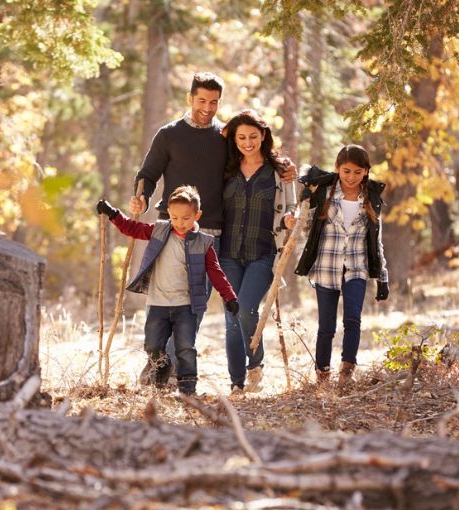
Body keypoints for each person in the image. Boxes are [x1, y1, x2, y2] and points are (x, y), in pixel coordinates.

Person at [130, 72, 297, 386]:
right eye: (202, 100)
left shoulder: (224, 136)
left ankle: (168, 366)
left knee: (196, 304)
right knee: (168, 300)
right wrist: (141, 196)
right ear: (190, 98)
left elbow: (255, 157)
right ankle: (159, 362)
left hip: (213, 235)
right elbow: (148, 174)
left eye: (214, 102)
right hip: (172, 230)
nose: (207, 107)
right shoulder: (169, 134)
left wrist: (286, 168)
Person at [97, 186, 239, 396]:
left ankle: (187, 388)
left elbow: (215, 271)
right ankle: (161, 368)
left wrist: (229, 296)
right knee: (152, 345)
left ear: (197, 215)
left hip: (186, 306)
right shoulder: (160, 231)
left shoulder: (204, 243)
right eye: (174, 217)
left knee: (185, 348)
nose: (180, 223)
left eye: (185, 218)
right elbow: (132, 228)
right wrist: (113, 214)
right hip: (158, 304)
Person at [294, 144, 389, 389]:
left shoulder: (371, 200)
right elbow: (305, 228)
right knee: (326, 325)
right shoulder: (324, 194)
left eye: (358, 172)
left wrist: (382, 277)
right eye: (346, 171)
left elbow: (376, 241)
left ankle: (347, 370)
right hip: (326, 267)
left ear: (366, 172)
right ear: (337, 168)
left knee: (353, 319)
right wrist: (302, 207)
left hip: (356, 268)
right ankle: (322, 373)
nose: (351, 177)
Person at [219, 110, 297, 395]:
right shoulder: (226, 168)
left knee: (246, 309)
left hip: (263, 253)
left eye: (253, 136)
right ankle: (236, 382)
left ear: (263, 135)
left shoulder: (279, 171)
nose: (247, 142)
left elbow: (292, 205)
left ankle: (255, 364)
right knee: (231, 317)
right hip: (227, 253)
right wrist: (227, 130)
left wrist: (290, 218)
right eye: (241, 137)